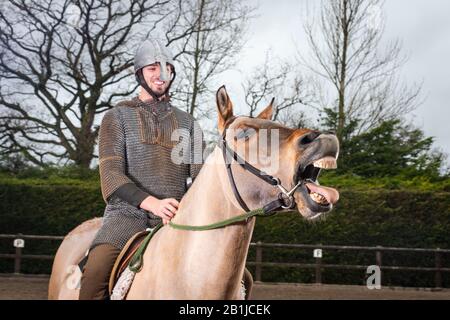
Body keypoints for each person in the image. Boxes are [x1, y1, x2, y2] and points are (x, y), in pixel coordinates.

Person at [79, 38, 204, 300]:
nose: (160, 75)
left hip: (176, 219)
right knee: (95, 275)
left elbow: (200, 177)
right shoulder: (116, 116)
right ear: (139, 73)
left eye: (166, 69)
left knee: (240, 279)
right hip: (126, 217)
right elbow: (112, 175)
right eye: (152, 69)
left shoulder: (188, 123)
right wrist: (153, 204)